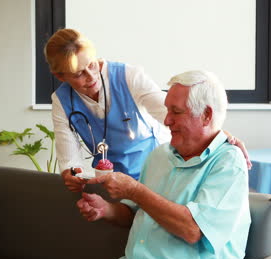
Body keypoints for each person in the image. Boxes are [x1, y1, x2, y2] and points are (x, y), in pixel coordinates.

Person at [44, 28, 252, 192]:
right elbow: (70, 158)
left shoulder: (129, 76)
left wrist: (218, 135)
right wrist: (73, 173)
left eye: (91, 65)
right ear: (61, 76)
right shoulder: (61, 101)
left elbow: (170, 114)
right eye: (79, 73)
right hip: (109, 183)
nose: (90, 76)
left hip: (156, 176)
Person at [77, 70, 251, 259]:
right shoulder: (160, 155)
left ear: (206, 115)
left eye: (176, 112)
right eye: (167, 110)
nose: (167, 120)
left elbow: (193, 229)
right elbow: (135, 212)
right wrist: (106, 209)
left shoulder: (228, 163)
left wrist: (135, 191)